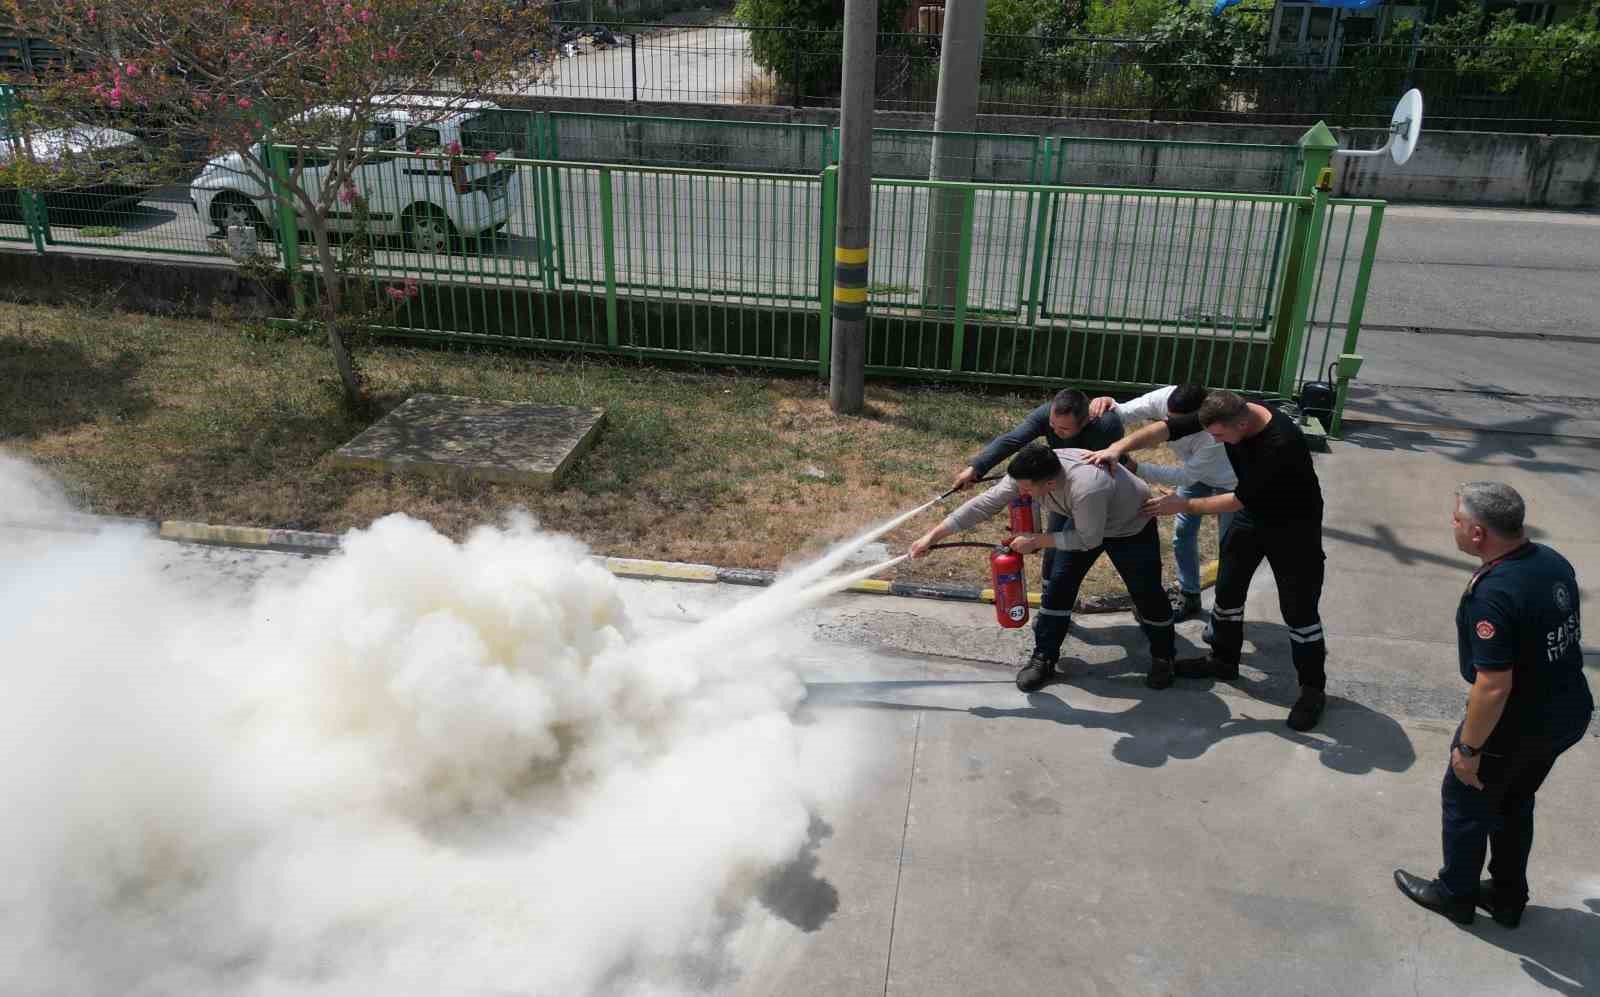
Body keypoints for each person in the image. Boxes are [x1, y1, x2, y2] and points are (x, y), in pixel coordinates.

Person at [1393, 483, 1592, 927]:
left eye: (1458, 520)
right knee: (1515, 801)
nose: (1454, 526)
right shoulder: (1551, 561)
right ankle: (1507, 896)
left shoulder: (1494, 591)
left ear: (1479, 533)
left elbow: (1493, 686)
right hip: (1567, 708)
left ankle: (1455, 894)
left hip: (1518, 722)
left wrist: (1469, 749)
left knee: (1465, 799)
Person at [1085, 390, 1329, 731]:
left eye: (1219, 436)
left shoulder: (1279, 445)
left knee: (1299, 609)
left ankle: (1312, 689)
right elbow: (1169, 428)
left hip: (1292, 526)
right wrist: (1118, 448)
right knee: (1228, 590)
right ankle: (1223, 660)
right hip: (1252, 517)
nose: (1214, 441)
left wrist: (1182, 505)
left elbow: (1238, 500)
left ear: (1242, 424)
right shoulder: (1229, 411)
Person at [911, 443, 1177, 692]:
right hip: (1084, 519)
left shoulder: (1086, 487)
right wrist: (932, 536)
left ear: (1049, 483)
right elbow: (985, 503)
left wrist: (1038, 541)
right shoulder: (1029, 475)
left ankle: (1164, 656)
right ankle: (1044, 657)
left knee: (1146, 591)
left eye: (1026, 490)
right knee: (1059, 584)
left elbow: (1088, 539)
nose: (1021, 494)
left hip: (1130, 525)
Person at [1088, 385, 1237, 620]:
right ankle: (1190, 596)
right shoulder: (1165, 398)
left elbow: (1186, 476)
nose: (1169, 425)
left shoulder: (1213, 434)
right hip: (1196, 473)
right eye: (1168, 418)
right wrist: (1107, 404)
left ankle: (1226, 612)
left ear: (1198, 417)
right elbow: (1124, 412)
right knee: (1183, 533)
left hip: (1230, 482)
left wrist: (1138, 468)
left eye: (1178, 422)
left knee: (1230, 545)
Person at [947, 389, 1126, 581]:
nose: (1055, 432)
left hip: (1095, 494)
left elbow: (1120, 466)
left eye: (1064, 430)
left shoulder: (1107, 427)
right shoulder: (1047, 414)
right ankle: (1049, 591)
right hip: (1058, 483)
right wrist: (976, 468)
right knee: (1054, 547)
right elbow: (1012, 440)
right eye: (1052, 425)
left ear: (1085, 421)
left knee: (1075, 549)